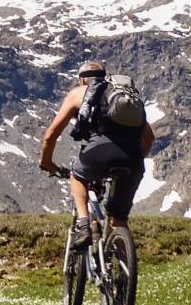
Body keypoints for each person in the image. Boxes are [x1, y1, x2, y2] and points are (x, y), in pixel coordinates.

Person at [38, 62, 155, 246]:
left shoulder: (79, 92)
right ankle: (124, 271)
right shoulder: (118, 96)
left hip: (100, 151)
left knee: (77, 176)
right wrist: (137, 159)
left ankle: (84, 224)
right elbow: (149, 138)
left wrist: (47, 162)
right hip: (133, 158)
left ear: (82, 79)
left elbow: (50, 135)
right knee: (118, 221)